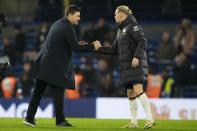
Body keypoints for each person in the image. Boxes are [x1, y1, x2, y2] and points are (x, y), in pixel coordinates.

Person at [23, 5, 101, 127]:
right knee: (58, 91)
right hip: (53, 65)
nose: (79, 18)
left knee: (38, 91)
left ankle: (29, 117)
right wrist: (92, 46)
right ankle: (60, 121)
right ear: (70, 15)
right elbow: (75, 48)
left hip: (44, 62)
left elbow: (67, 44)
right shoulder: (67, 27)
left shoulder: (59, 23)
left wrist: (77, 44)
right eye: (77, 16)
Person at [95, 5, 154, 129]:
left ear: (122, 14)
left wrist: (137, 57)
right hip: (126, 67)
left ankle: (149, 118)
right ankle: (134, 122)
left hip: (136, 65)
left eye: (116, 14)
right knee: (130, 94)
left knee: (138, 90)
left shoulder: (133, 26)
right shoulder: (120, 31)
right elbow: (114, 49)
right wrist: (99, 48)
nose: (114, 16)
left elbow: (142, 41)